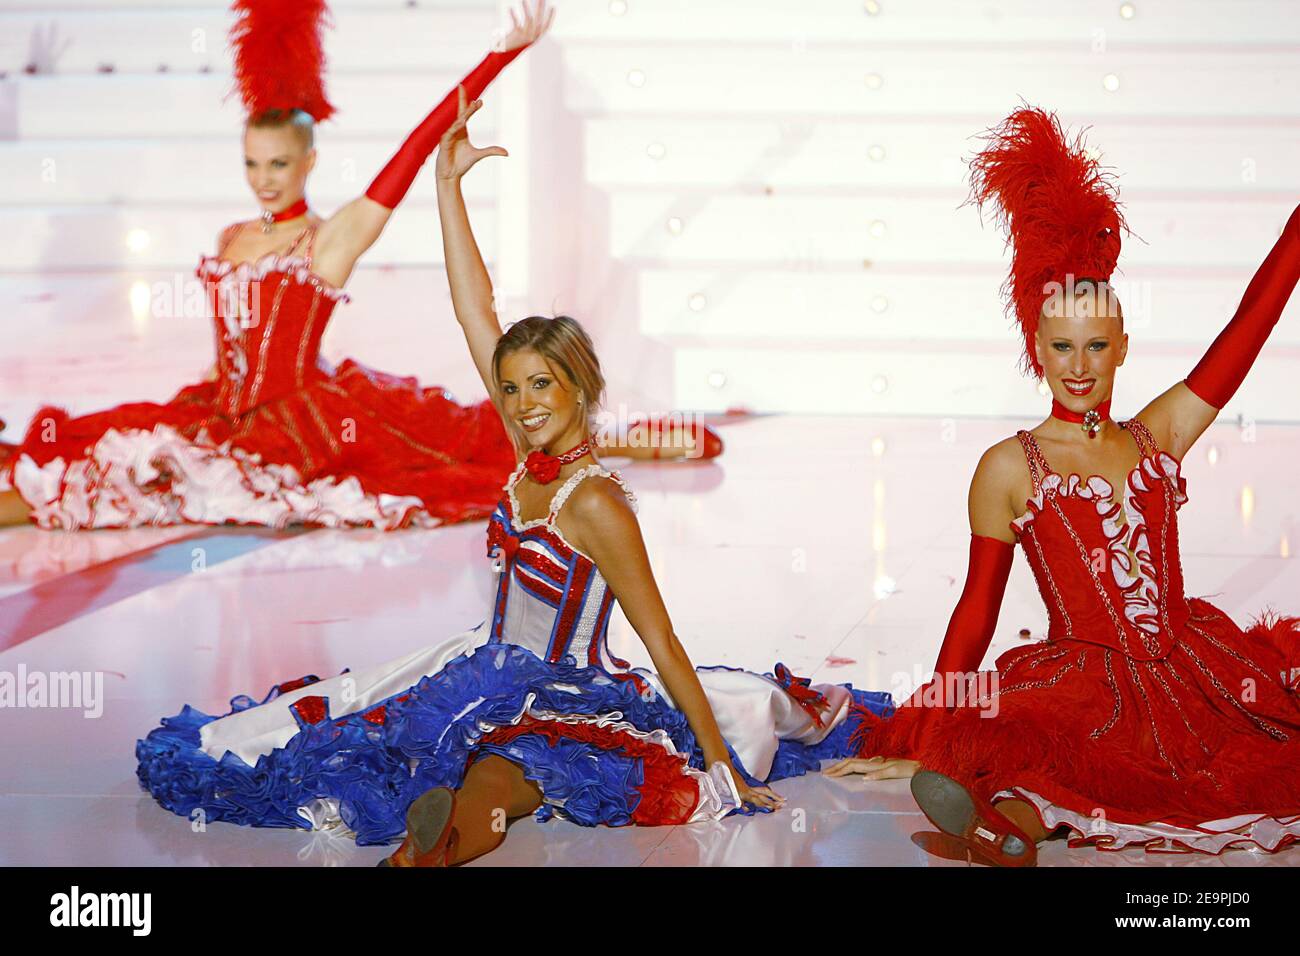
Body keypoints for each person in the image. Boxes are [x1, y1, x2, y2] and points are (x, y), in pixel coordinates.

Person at [133, 87, 894, 866]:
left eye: (542, 386)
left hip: (568, 694)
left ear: (579, 388)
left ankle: (424, 853)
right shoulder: (524, 452)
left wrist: (721, 762)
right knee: (349, 737)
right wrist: (447, 187)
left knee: (500, 776)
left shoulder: (595, 500)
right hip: (479, 668)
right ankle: (431, 831)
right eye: (511, 387)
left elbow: (660, 638)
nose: (523, 404)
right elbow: (474, 312)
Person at [0, 0, 718, 533]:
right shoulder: (231, 233)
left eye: (280, 163)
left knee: (475, 442)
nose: (265, 180)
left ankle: (625, 436)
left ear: (310, 159)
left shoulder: (331, 240)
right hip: (220, 408)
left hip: (300, 421)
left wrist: (501, 58)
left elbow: (413, 148)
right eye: (253, 164)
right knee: (88, 456)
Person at [826, 107, 1300, 865]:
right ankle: (1007, 822)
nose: (1078, 366)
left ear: (1121, 349)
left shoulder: (1159, 434)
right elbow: (976, 611)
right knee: (1040, 742)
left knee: (1239, 754)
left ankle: (1010, 821)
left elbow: (1248, 326)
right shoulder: (1009, 467)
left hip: (1191, 665)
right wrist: (928, 729)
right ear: (1036, 350)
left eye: (1096, 346)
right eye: (1060, 347)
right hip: (1083, 679)